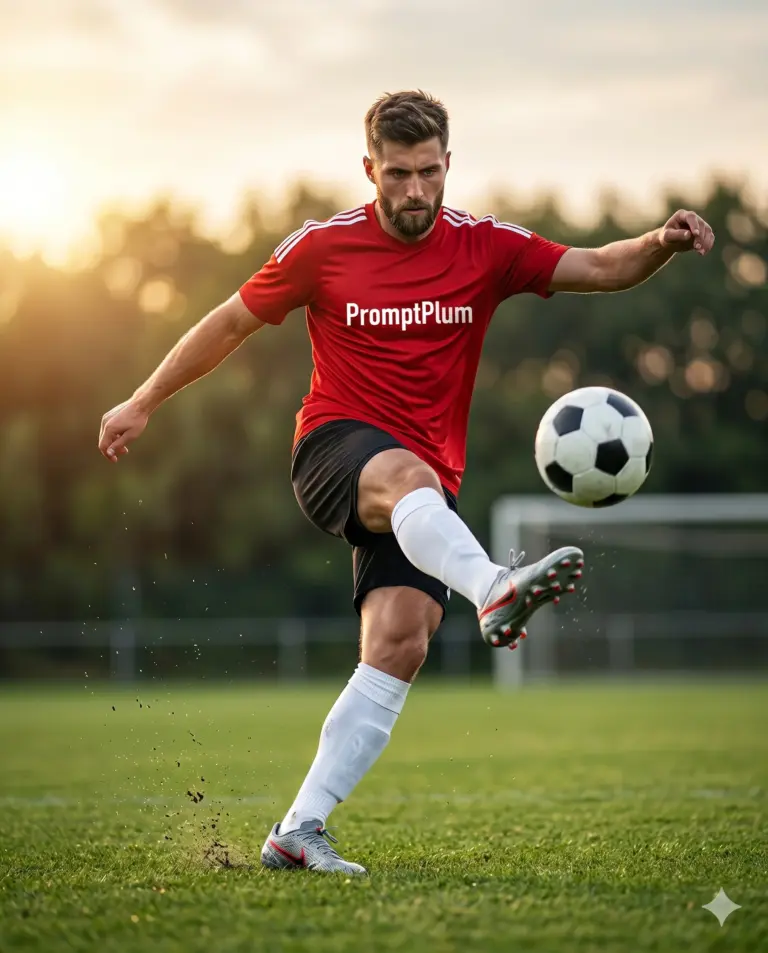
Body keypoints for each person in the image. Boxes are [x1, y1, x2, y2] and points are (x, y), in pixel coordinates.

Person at [98, 90, 715, 876]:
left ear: (449, 164)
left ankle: (298, 828)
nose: (416, 190)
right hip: (335, 451)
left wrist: (661, 241)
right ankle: (494, 585)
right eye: (398, 174)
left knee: (399, 642)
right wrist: (143, 399)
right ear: (370, 171)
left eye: (429, 172)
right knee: (409, 476)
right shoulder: (323, 248)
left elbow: (597, 265)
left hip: (424, 491)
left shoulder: (485, 245)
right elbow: (228, 322)